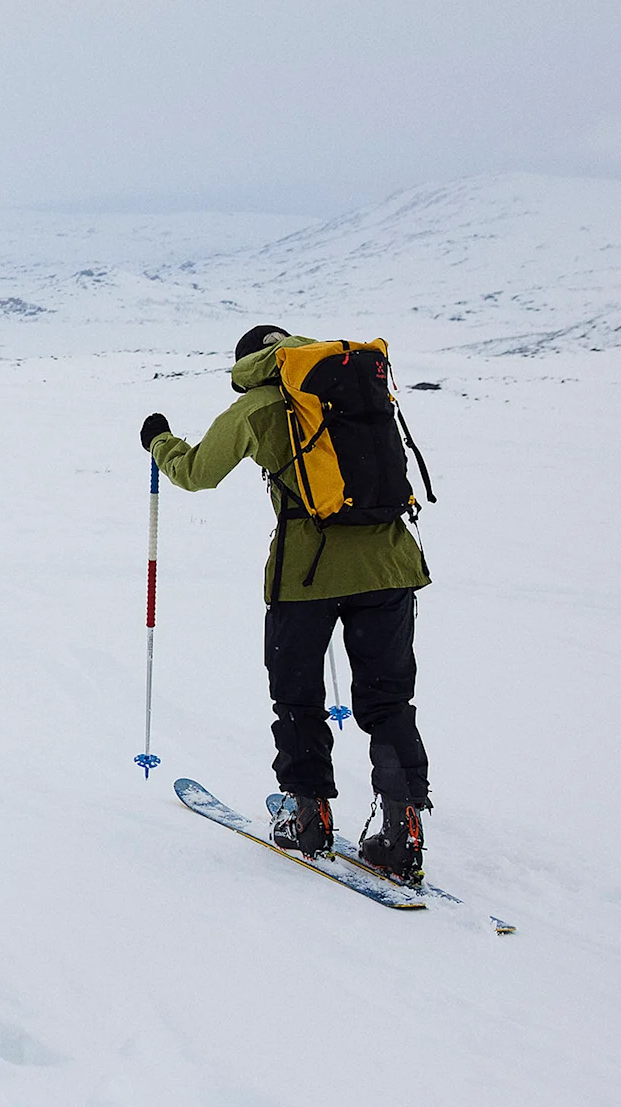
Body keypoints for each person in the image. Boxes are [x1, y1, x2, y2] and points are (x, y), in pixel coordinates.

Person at [141, 325, 434, 881]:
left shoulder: (258, 406)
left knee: (298, 698)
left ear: (246, 362)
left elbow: (197, 474)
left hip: (306, 574)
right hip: (391, 562)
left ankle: (309, 816)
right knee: (389, 700)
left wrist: (159, 442)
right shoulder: (350, 381)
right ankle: (403, 830)